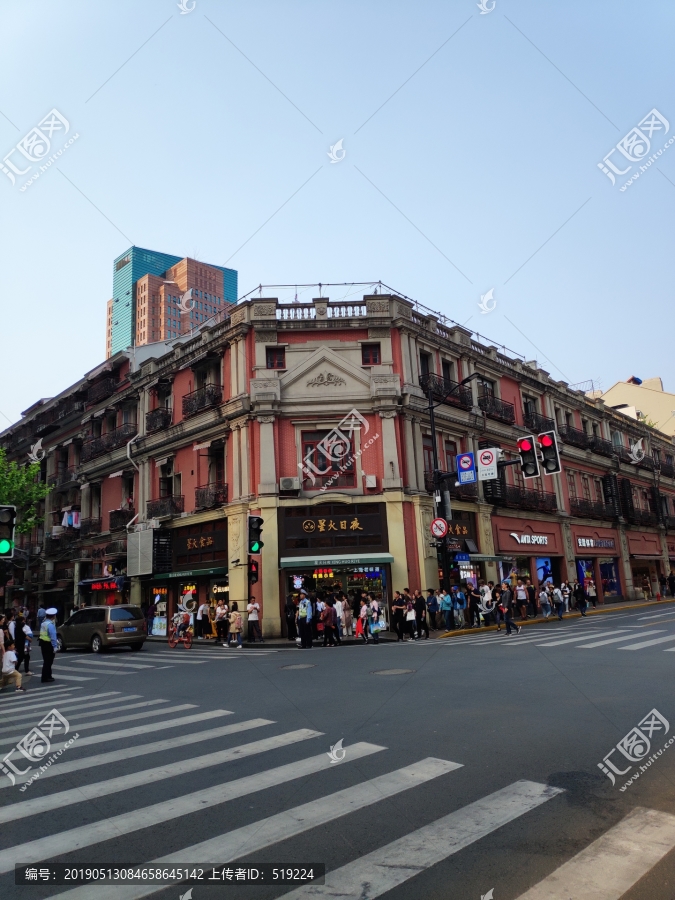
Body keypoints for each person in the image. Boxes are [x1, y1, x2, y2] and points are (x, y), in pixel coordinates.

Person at [39, 607, 58, 683]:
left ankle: (48, 676)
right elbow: (53, 636)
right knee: (48, 661)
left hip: (43, 643)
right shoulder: (50, 625)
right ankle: (45, 677)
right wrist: (55, 646)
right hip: (48, 644)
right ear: (53, 616)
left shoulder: (43, 623)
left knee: (46, 660)